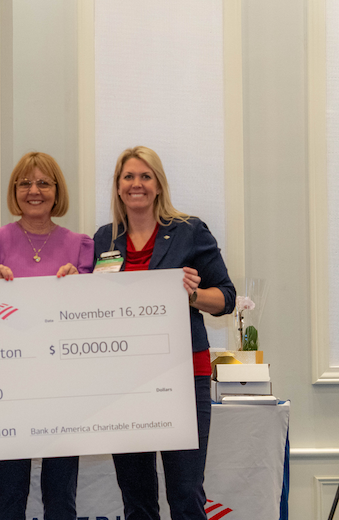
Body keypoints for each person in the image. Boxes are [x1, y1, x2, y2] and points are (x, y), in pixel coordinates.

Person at [93, 146, 235, 520]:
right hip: (126, 382)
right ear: (118, 186)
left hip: (183, 377)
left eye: (146, 176)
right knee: (136, 497)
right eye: (128, 177)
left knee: (185, 493)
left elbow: (226, 298)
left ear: (158, 185)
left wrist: (192, 296)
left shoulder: (189, 231)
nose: (136, 184)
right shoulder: (104, 240)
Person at [0, 151, 93, 520]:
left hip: (63, 384)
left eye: (43, 183)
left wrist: (80, 287)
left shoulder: (82, 246)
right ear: (14, 191)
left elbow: (93, 315)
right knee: (9, 493)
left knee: (61, 495)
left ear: (57, 190)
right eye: (24, 183)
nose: (34, 191)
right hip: (7, 385)